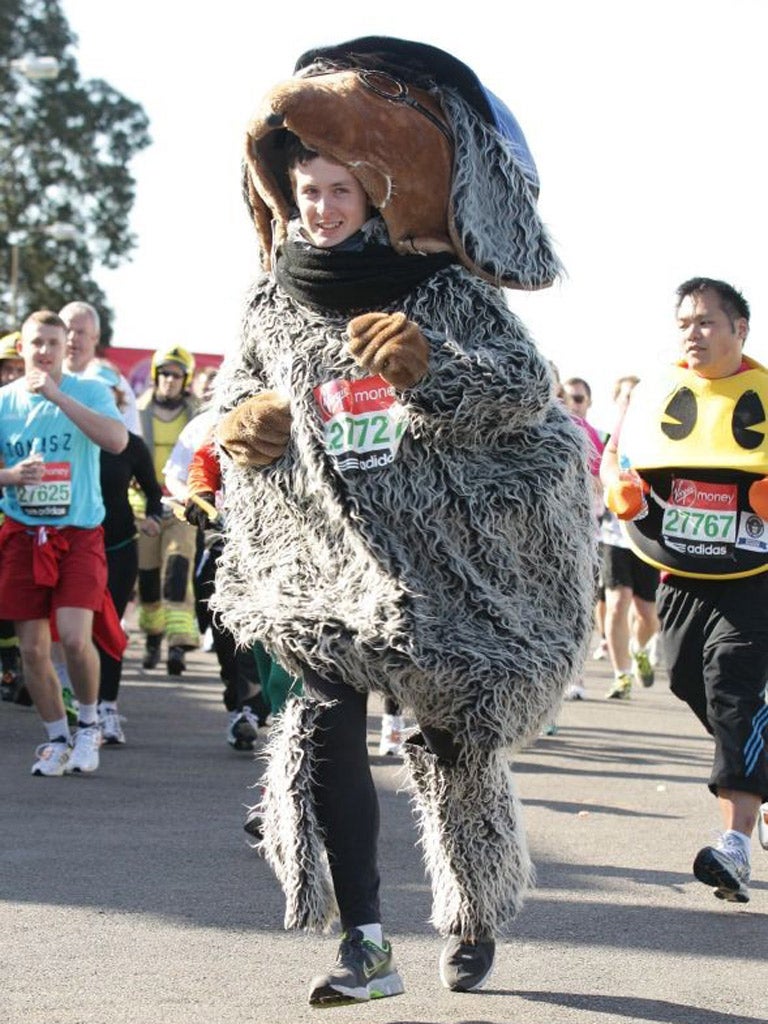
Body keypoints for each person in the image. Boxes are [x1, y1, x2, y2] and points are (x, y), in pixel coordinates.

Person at [213, 38, 594, 1007]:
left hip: (440, 562)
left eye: (343, 192)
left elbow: (518, 390)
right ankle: (365, 941)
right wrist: (244, 423)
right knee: (325, 729)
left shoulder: (438, 288)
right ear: (289, 196)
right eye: (310, 192)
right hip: (327, 564)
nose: (324, 208)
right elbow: (238, 396)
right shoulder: (270, 299)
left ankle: (474, 910)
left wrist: (429, 371)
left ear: (373, 195)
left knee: (453, 746)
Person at [602, 277, 768, 902]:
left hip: (755, 574)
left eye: (706, 321)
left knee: (732, 681)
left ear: (739, 329)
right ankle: (760, 773)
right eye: (684, 323)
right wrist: (623, 490)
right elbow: (618, 456)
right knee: (685, 681)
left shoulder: (764, 394)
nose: (693, 333)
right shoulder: (658, 393)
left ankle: (735, 843)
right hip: (680, 572)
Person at [0, 311, 128, 775]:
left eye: (54, 343)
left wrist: (56, 395)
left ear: (65, 347)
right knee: (32, 650)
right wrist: (10, 477)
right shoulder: (3, 403)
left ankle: (90, 725)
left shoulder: (89, 389)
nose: (44, 352)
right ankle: (55, 738)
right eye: (36, 343)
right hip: (22, 534)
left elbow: (116, 441)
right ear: (22, 348)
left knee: (75, 638)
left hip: (78, 534)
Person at [89, 359, 164, 743]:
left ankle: (108, 709)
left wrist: (152, 516)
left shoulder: (130, 444)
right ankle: (81, 708)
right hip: (77, 546)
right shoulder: (75, 437)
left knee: (109, 628)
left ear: (119, 400)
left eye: (109, 396)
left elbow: (153, 489)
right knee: (75, 632)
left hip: (119, 548)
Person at [135, 345, 199, 674]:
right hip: (143, 507)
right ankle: (152, 636)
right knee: (147, 579)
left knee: (177, 570)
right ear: (155, 375)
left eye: (176, 374)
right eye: (165, 373)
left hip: (181, 507)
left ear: (185, 379)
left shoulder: (197, 415)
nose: (170, 380)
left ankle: (178, 645)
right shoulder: (136, 410)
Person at [600, 375, 659, 699]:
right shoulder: (609, 440)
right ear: (617, 401)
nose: (631, 403)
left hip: (645, 535)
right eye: (626, 398)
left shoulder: (654, 435)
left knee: (647, 615)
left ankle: (639, 650)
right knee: (617, 603)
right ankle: (621, 675)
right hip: (612, 534)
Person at [59, 301, 141, 435]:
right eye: (67, 331)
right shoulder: (47, 381)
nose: (72, 338)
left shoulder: (115, 383)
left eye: (81, 332)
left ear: (95, 337)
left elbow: (129, 437)